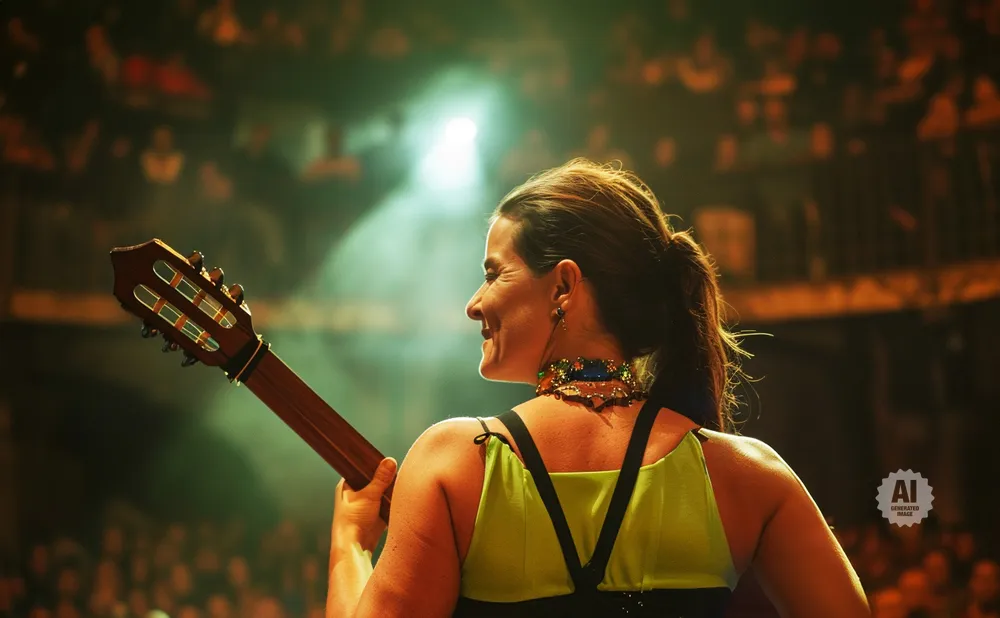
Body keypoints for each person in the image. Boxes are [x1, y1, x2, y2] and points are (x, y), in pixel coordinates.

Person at [324, 159, 870, 617]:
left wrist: (349, 545)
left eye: (493, 274)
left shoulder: (455, 464)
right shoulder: (748, 476)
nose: (474, 303)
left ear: (563, 285)